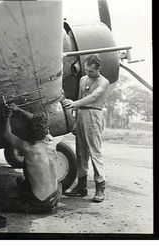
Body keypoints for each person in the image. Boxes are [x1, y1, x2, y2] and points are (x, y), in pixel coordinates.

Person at [62, 54, 109, 203]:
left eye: (92, 71)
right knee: (80, 153)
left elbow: (93, 97)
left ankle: (100, 187)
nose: (89, 73)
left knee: (94, 151)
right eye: (87, 70)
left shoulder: (104, 82)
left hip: (94, 114)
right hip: (81, 114)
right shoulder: (83, 79)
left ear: (99, 69)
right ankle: (81, 187)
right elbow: (81, 95)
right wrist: (75, 118)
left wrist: (75, 103)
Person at [3, 103, 62, 213]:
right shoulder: (52, 142)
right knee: (21, 181)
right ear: (46, 130)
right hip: (55, 198)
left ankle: (31, 204)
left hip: (38, 204)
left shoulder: (27, 148)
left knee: (0, 200)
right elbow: (38, 121)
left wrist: (7, 116)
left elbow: (7, 134)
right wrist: (19, 109)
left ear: (30, 132)